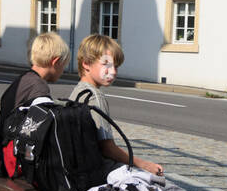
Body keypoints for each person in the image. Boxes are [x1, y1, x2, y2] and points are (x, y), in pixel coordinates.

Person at [69, 34, 163, 176]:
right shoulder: (95, 97)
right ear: (86, 63)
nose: (113, 72)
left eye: (116, 66)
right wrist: (145, 165)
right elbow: (107, 148)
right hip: (96, 172)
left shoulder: (77, 92)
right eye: (106, 65)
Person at [0, 31, 69, 129]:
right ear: (55, 61)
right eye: (64, 65)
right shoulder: (39, 88)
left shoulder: (24, 79)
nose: (63, 71)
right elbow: (39, 131)